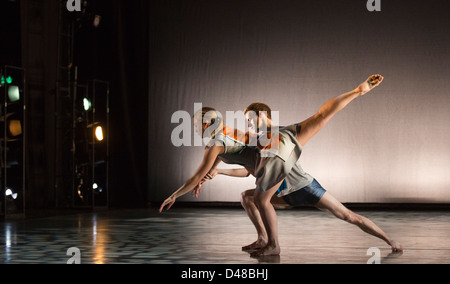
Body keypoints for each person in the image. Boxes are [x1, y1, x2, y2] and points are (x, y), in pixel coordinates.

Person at [160, 75, 403, 256]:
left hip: (304, 186)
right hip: (281, 193)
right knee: (248, 197)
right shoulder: (253, 143)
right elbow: (248, 170)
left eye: (252, 120)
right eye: (247, 122)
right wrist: (218, 171)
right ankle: (263, 239)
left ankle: (389, 240)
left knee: (347, 215)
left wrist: (357, 91)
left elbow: (322, 115)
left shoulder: (283, 134)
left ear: (264, 115)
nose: (249, 126)